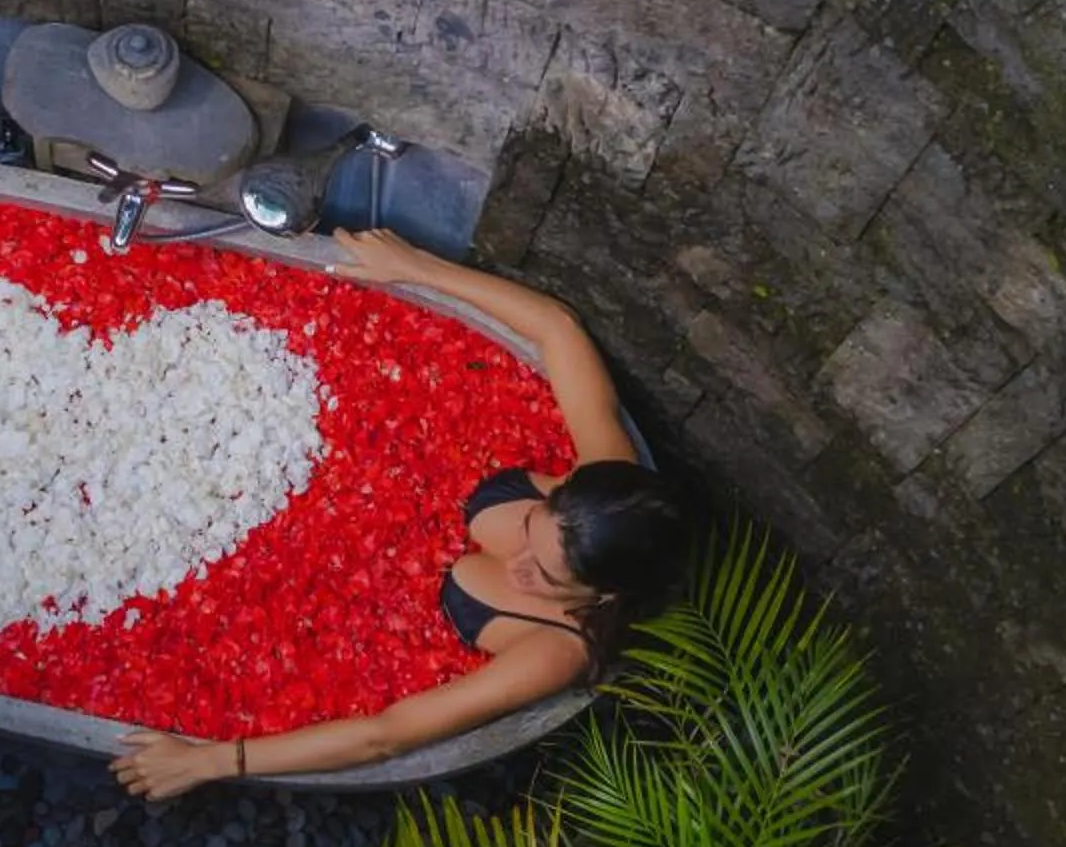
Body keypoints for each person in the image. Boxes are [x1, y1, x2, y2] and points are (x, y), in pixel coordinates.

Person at [109, 228, 689, 799]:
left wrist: (211, 760)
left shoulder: (554, 654)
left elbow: (386, 736)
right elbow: (556, 326)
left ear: (603, 596)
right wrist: (417, 268)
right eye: (531, 528)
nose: (517, 562)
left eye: (545, 576)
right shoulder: (606, 480)